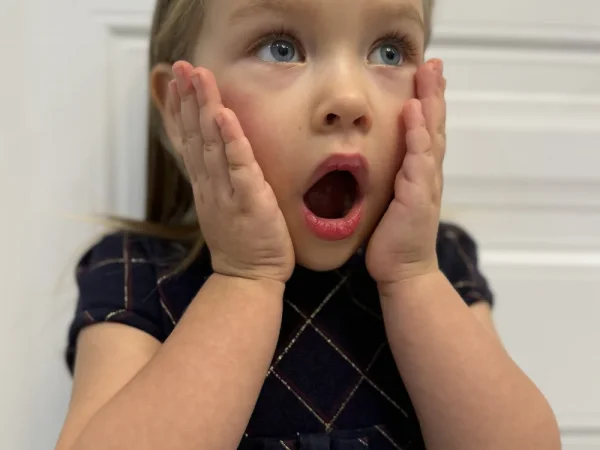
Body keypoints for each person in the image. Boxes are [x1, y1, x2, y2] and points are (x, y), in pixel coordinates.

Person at [55, 0, 561, 449]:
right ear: (177, 106)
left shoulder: (437, 261)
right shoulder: (138, 273)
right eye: (280, 48)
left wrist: (413, 275)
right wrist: (245, 278)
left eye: (389, 52)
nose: (349, 100)